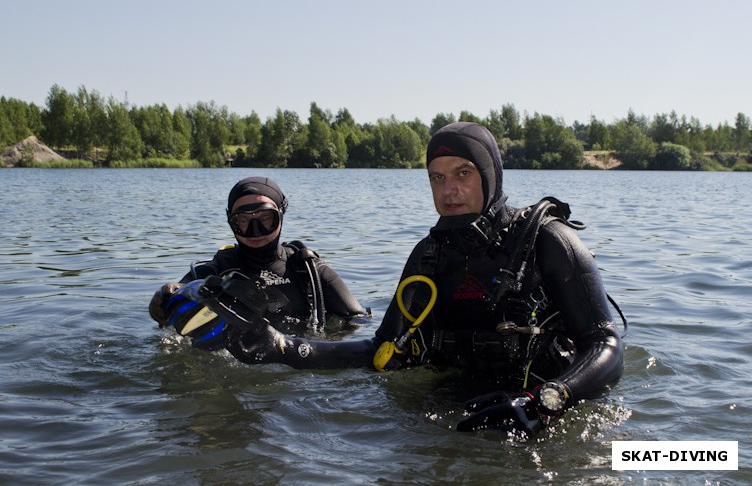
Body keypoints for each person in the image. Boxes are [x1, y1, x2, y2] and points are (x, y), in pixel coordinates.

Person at [196, 123, 625, 437]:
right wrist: (284, 349)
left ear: (490, 175)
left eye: (463, 173)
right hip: (450, 409)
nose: (449, 190)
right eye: (437, 177)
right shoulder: (430, 255)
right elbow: (379, 351)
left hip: (540, 410)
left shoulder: (549, 241)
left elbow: (606, 346)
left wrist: (545, 399)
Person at [149, 176, 370, 350]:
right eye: (243, 221)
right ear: (230, 222)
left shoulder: (309, 270)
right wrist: (163, 300)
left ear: (281, 215)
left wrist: (324, 347)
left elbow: (360, 323)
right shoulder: (211, 274)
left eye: (265, 219)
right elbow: (169, 307)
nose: (256, 232)